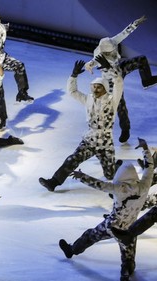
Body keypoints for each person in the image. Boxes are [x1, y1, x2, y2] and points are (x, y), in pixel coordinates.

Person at [58, 137, 154, 281]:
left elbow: (100, 185)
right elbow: (149, 169)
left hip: (111, 226)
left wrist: (81, 176)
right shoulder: (144, 186)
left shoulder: (119, 188)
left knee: (90, 236)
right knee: (127, 254)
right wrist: (145, 149)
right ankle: (126, 272)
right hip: (130, 228)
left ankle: (71, 250)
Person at [39, 57, 123, 192]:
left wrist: (109, 69)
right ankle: (53, 182)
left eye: (98, 87)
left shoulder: (112, 100)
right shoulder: (88, 99)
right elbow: (72, 92)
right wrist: (73, 76)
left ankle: (116, 167)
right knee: (72, 159)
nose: (95, 89)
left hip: (106, 143)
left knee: (109, 174)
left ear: (105, 88)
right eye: (94, 86)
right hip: (90, 140)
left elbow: (118, 82)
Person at [85, 15, 157, 143]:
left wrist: (135, 23)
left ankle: (147, 80)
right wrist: (89, 66)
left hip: (120, 68)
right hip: (112, 79)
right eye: (111, 51)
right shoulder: (99, 56)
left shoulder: (112, 41)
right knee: (120, 104)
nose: (114, 51)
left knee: (141, 59)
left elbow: (124, 33)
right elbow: (91, 63)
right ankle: (125, 129)